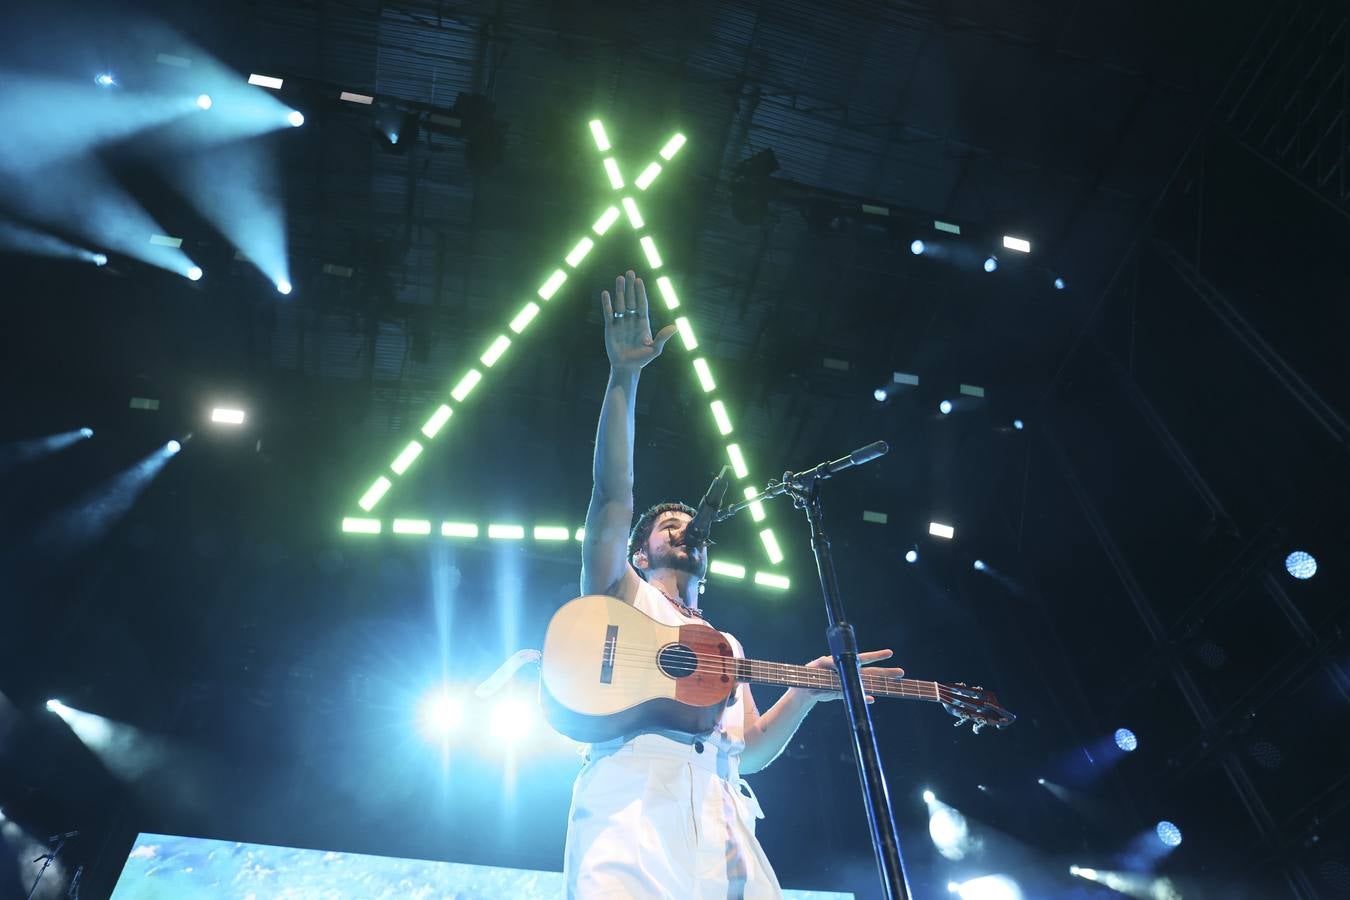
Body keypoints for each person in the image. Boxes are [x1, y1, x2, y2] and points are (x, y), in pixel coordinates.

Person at [563, 270, 902, 899]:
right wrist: (624, 376)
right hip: (632, 797)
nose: (685, 531)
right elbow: (611, 495)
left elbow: (748, 747)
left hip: (725, 814)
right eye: (669, 526)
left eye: (693, 527)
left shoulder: (728, 644)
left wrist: (806, 692)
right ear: (640, 550)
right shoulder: (620, 594)